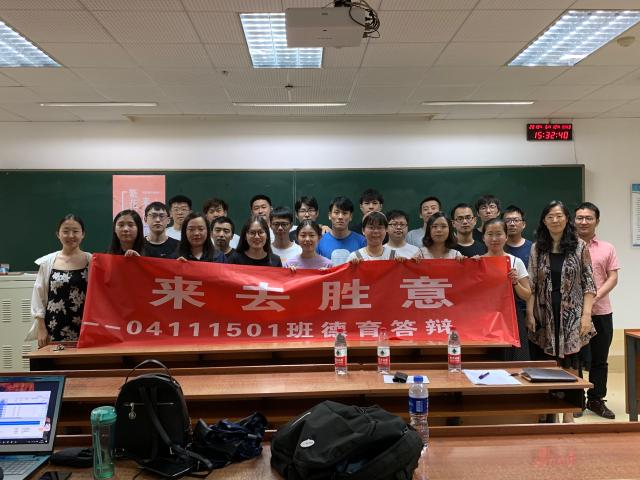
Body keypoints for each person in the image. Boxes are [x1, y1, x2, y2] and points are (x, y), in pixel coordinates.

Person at [526, 201, 596, 422]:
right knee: (549, 365)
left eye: (559, 216)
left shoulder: (579, 246)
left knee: (571, 365)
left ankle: (568, 414)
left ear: (567, 219)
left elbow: (589, 284)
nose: (555, 220)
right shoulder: (537, 248)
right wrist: (530, 313)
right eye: (550, 216)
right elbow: (531, 284)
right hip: (544, 315)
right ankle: (551, 415)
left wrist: (586, 316)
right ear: (544, 221)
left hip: (572, 316)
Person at [575, 202, 620, 419]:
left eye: (589, 218)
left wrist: (594, 297)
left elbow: (613, 277)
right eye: (580, 218)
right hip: (573, 313)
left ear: (597, 221)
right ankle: (575, 399)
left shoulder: (607, 248)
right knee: (573, 358)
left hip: (601, 311)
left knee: (599, 359)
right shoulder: (567, 247)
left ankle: (596, 399)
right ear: (573, 221)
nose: (584, 222)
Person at [29, 214, 92, 347]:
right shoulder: (47, 262)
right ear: (58, 234)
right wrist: (41, 328)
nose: (71, 235)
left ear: (83, 234)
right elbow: (38, 296)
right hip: (53, 326)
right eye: (66, 231)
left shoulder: (91, 261)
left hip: (84, 327)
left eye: (75, 231)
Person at [482, 218, 531, 360]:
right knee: (488, 359)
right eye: (490, 234)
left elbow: (527, 295)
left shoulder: (515, 261)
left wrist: (515, 282)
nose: (494, 239)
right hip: (485, 318)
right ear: (483, 237)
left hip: (511, 318)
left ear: (506, 236)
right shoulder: (477, 262)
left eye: (499, 234)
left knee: (514, 360)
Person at [317, 196, 366, 266]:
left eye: (344, 213)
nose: (340, 217)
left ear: (351, 216)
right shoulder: (319, 241)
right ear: (329, 215)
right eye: (336, 213)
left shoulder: (361, 241)